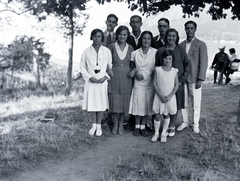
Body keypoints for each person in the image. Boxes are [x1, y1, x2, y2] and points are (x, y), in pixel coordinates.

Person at [155, 28, 190, 137]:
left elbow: (187, 66)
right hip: (163, 83)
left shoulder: (181, 50)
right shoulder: (160, 50)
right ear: (166, 37)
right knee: (162, 103)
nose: (171, 38)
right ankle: (159, 126)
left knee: (176, 104)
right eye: (169, 36)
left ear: (177, 37)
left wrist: (182, 80)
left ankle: (172, 125)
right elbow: (156, 65)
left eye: (173, 36)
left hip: (177, 83)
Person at [80, 29, 112, 136]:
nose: (97, 38)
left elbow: (109, 67)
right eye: (95, 36)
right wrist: (89, 77)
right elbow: (82, 66)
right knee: (92, 104)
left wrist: (105, 77)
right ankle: (93, 125)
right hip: (91, 82)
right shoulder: (86, 51)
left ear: (102, 38)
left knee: (101, 104)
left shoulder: (107, 51)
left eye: (99, 36)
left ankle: (99, 126)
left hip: (102, 82)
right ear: (91, 37)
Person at [177, 20, 208, 134]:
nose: (189, 30)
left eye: (191, 28)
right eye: (187, 28)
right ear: (185, 29)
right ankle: (185, 122)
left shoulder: (201, 44)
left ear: (195, 29)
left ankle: (195, 124)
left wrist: (200, 79)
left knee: (196, 103)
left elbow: (203, 62)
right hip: (183, 78)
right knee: (184, 102)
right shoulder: (181, 45)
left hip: (195, 78)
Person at [128, 31, 157, 137]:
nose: (146, 41)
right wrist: (135, 73)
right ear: (141, 40)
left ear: (151, 40)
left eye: (149, 39)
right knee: (138, 103)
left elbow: (158, 66)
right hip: (138, 82)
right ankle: (137, 126)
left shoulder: (155, 52)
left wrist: (155, 69)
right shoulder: (135, 53)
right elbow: (131, 67)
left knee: (147, 105)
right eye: (144, 38)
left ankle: (143, 126)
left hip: (150, 82)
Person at [108, 26, 134, 135]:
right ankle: (115, 123)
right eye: (120, 34)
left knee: (124, 99)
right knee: (114, 99)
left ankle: (121, 124)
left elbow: (134, 63)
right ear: (117, 35)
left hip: (126, 76)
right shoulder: (111, 47)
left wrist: (134, 71)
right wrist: (108, 69)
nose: (122, 36)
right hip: (114, 74)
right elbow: (107, 61)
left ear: (127, 35)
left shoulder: (131, 48)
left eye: (125, 34)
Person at [152, 50, 179, 143]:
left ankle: (164, 133)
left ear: (172, 59)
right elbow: (154, 83)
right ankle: (156, 133)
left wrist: (169, 96)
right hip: (159, 96)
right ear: (162, 59)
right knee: (158, 115)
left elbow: (176, 85)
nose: (167, 60)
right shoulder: (158, 70)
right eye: (165, 58)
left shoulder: (174, 71)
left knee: (167, 115)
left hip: (169, 97)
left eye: (169, 59)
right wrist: (160, 95)